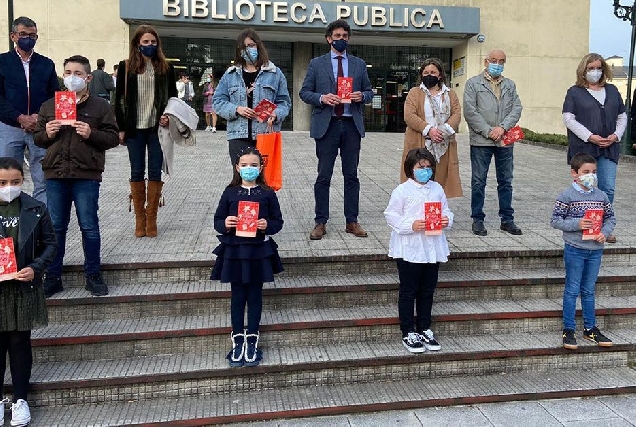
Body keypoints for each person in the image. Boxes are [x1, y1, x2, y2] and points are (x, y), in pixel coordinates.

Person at [33, 55, 119, 298]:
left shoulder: (101, 107)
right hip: (56, 173)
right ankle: (53, 276)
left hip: (86, 174)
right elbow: (37, 138)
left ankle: (93, 275)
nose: (72, 77)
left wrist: (91, 132)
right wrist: (47, 133)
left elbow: (112, 138)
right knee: (56, 227)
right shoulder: (49, 106)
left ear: (88, 78)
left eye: (78, 73)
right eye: (68, 72)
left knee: (89, 226)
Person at [299, 19, 373, 240]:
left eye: (345, 36)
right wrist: (322, 98)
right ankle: (320, 222)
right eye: (337, 36)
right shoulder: (316, 63)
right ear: (328, 38)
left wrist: (362, 96)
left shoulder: (359, 64)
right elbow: (304, 92)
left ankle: (352, 221)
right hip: (327, 125)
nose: (341, 39)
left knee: (351, 175)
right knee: (324, 175)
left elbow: (369, 90)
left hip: (351, 124)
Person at [210, 147, 284, 368]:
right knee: (237, 296)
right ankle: (237, 339)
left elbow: (278, 222)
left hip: (258, 251)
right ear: (237, 167)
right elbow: (217, 219)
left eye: (253, 165)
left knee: (255, 295)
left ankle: (253, 337)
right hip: (234, 251)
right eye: (244, 165)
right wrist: (226, 223)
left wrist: (266, 225)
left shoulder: (267, 193)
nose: (249, 169)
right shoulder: (230, 192)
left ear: (261, 167)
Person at [0, 157, 57, 427]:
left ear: (23, 180)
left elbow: (50, 243)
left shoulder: (36, 208)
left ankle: (20, 399)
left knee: (20, 342)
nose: (8, 187)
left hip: (23, 286)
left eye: (14, 182)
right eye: (1, 183)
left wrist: (35, 267)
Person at [384, 148, 452, 353]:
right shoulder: (402, 191)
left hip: (432, 246)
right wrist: (411, 225)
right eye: (420, 167)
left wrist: (447, 219)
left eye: (428, 167)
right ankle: (408, 331)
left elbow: (446, 209)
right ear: (411, 169)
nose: (425, 171)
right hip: (410, 249)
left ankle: (425, 327)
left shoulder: (437, 189)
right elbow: (391, 215)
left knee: (427, 290)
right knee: (409, 290)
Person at [114, 25, 177, 238]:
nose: (150, 45)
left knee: (155, 171)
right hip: (134, 128)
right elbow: (119, 100)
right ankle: (139, 220)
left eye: (153, 42)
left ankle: (152, 219)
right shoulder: (126, 66)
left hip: (157, 128)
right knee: (136, 171)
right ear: (137, 44)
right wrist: (121, 127)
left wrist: (168, 115)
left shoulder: (166, 68)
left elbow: (173, 98)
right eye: (145, 42)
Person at [550, 153, 615, 350]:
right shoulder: (566, 196)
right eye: (586, 172)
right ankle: (568, 329)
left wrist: (604, 232)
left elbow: (610, 218)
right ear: (574, 174)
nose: (591, 176)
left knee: (588, 290)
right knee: (572, 289)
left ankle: (590, 328)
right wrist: (577, 224)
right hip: (575, 249)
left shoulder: (601, 196)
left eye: (594, 172)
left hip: (595, 250)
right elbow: (555, 220)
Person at [562, 53, 626, 244]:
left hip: (609, 147)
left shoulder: (613, 90)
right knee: (585, 188)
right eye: (591, 68)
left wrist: (616, 135)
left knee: (608, 189)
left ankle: (603, 229)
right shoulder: (574, 92)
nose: (595, 72)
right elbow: (568, 119)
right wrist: (590, 136)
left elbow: (622, 115)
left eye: (598, 68)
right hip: (585, 148)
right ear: (584, 70)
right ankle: (586, 226)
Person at [0, 16, 59, 205]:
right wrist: (19, 117)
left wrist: (38, 116)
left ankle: (39, 216)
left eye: (32, 35)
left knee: (42, 176)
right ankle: (8, 215)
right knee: (7, 175)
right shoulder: (2, 62)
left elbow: (53, 95)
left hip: (39, 128)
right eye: (23, 34)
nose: (28, 38)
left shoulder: (46, 64)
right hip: (10, 127)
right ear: (13, 36)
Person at [463, 49, 523, 237]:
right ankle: (477, 219)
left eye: (501, 61)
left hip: (504, 140)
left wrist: (502, 128)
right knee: (478, 181)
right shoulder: (473, 84)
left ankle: (507, 219)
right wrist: (489, 131)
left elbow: (517, 108)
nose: (497, 64)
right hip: (482, 140)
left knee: (506, 181)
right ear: (485, 62)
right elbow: (470, 112)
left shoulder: (509, 85)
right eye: (494, 60)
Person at [213, 28, 291, 163]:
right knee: (241, 178)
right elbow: (218, 101)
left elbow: (284, 102)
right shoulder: (230, 74)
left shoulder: (274, 73)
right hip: (238, 135)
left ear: (258, 46)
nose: (248, 50)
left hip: (265, 134)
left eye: (251, 45)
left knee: (265, 179)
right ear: (239, 50)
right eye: (243, 47)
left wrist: (276, 114)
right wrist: (236, 109)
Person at [401, 58, 462, 198]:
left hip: (442, 142)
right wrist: (429, 130)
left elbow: (456, 114)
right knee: (418, 176)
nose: (429, 75)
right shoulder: (414, 92)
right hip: (419, 141)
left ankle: (435, 210)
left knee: (439, 179)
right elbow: (409, 115)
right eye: (426, 72)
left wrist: (441, 132)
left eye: (433, 72)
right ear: (421, 74)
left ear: (440, 75)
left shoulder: (450, 94)